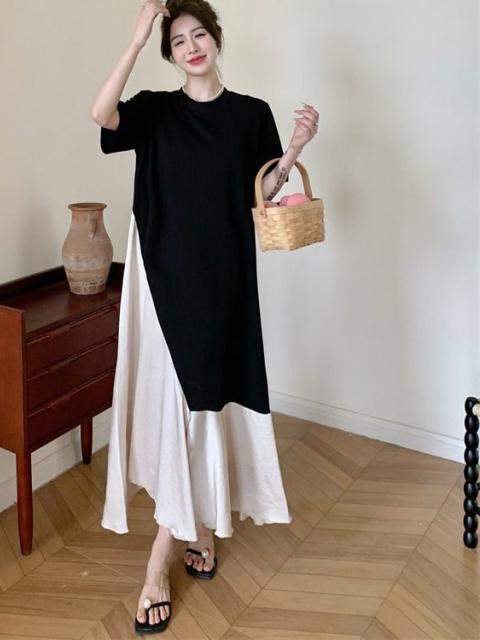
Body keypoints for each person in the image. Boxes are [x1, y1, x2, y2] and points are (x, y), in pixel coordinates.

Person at [90, 0, 319, 633]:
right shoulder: (156, 111)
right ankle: (164, 558)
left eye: (199, 35)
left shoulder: (251, 114)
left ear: (216, 39)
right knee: (181, 411)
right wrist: (137, 37)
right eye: (178, 41)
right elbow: (101, 115)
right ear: (169, 54)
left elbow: (261, 194)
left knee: (207, 405)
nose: (191, 47)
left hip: (225, 281)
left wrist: (294, 149)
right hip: (162, 282)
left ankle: (198, 528)